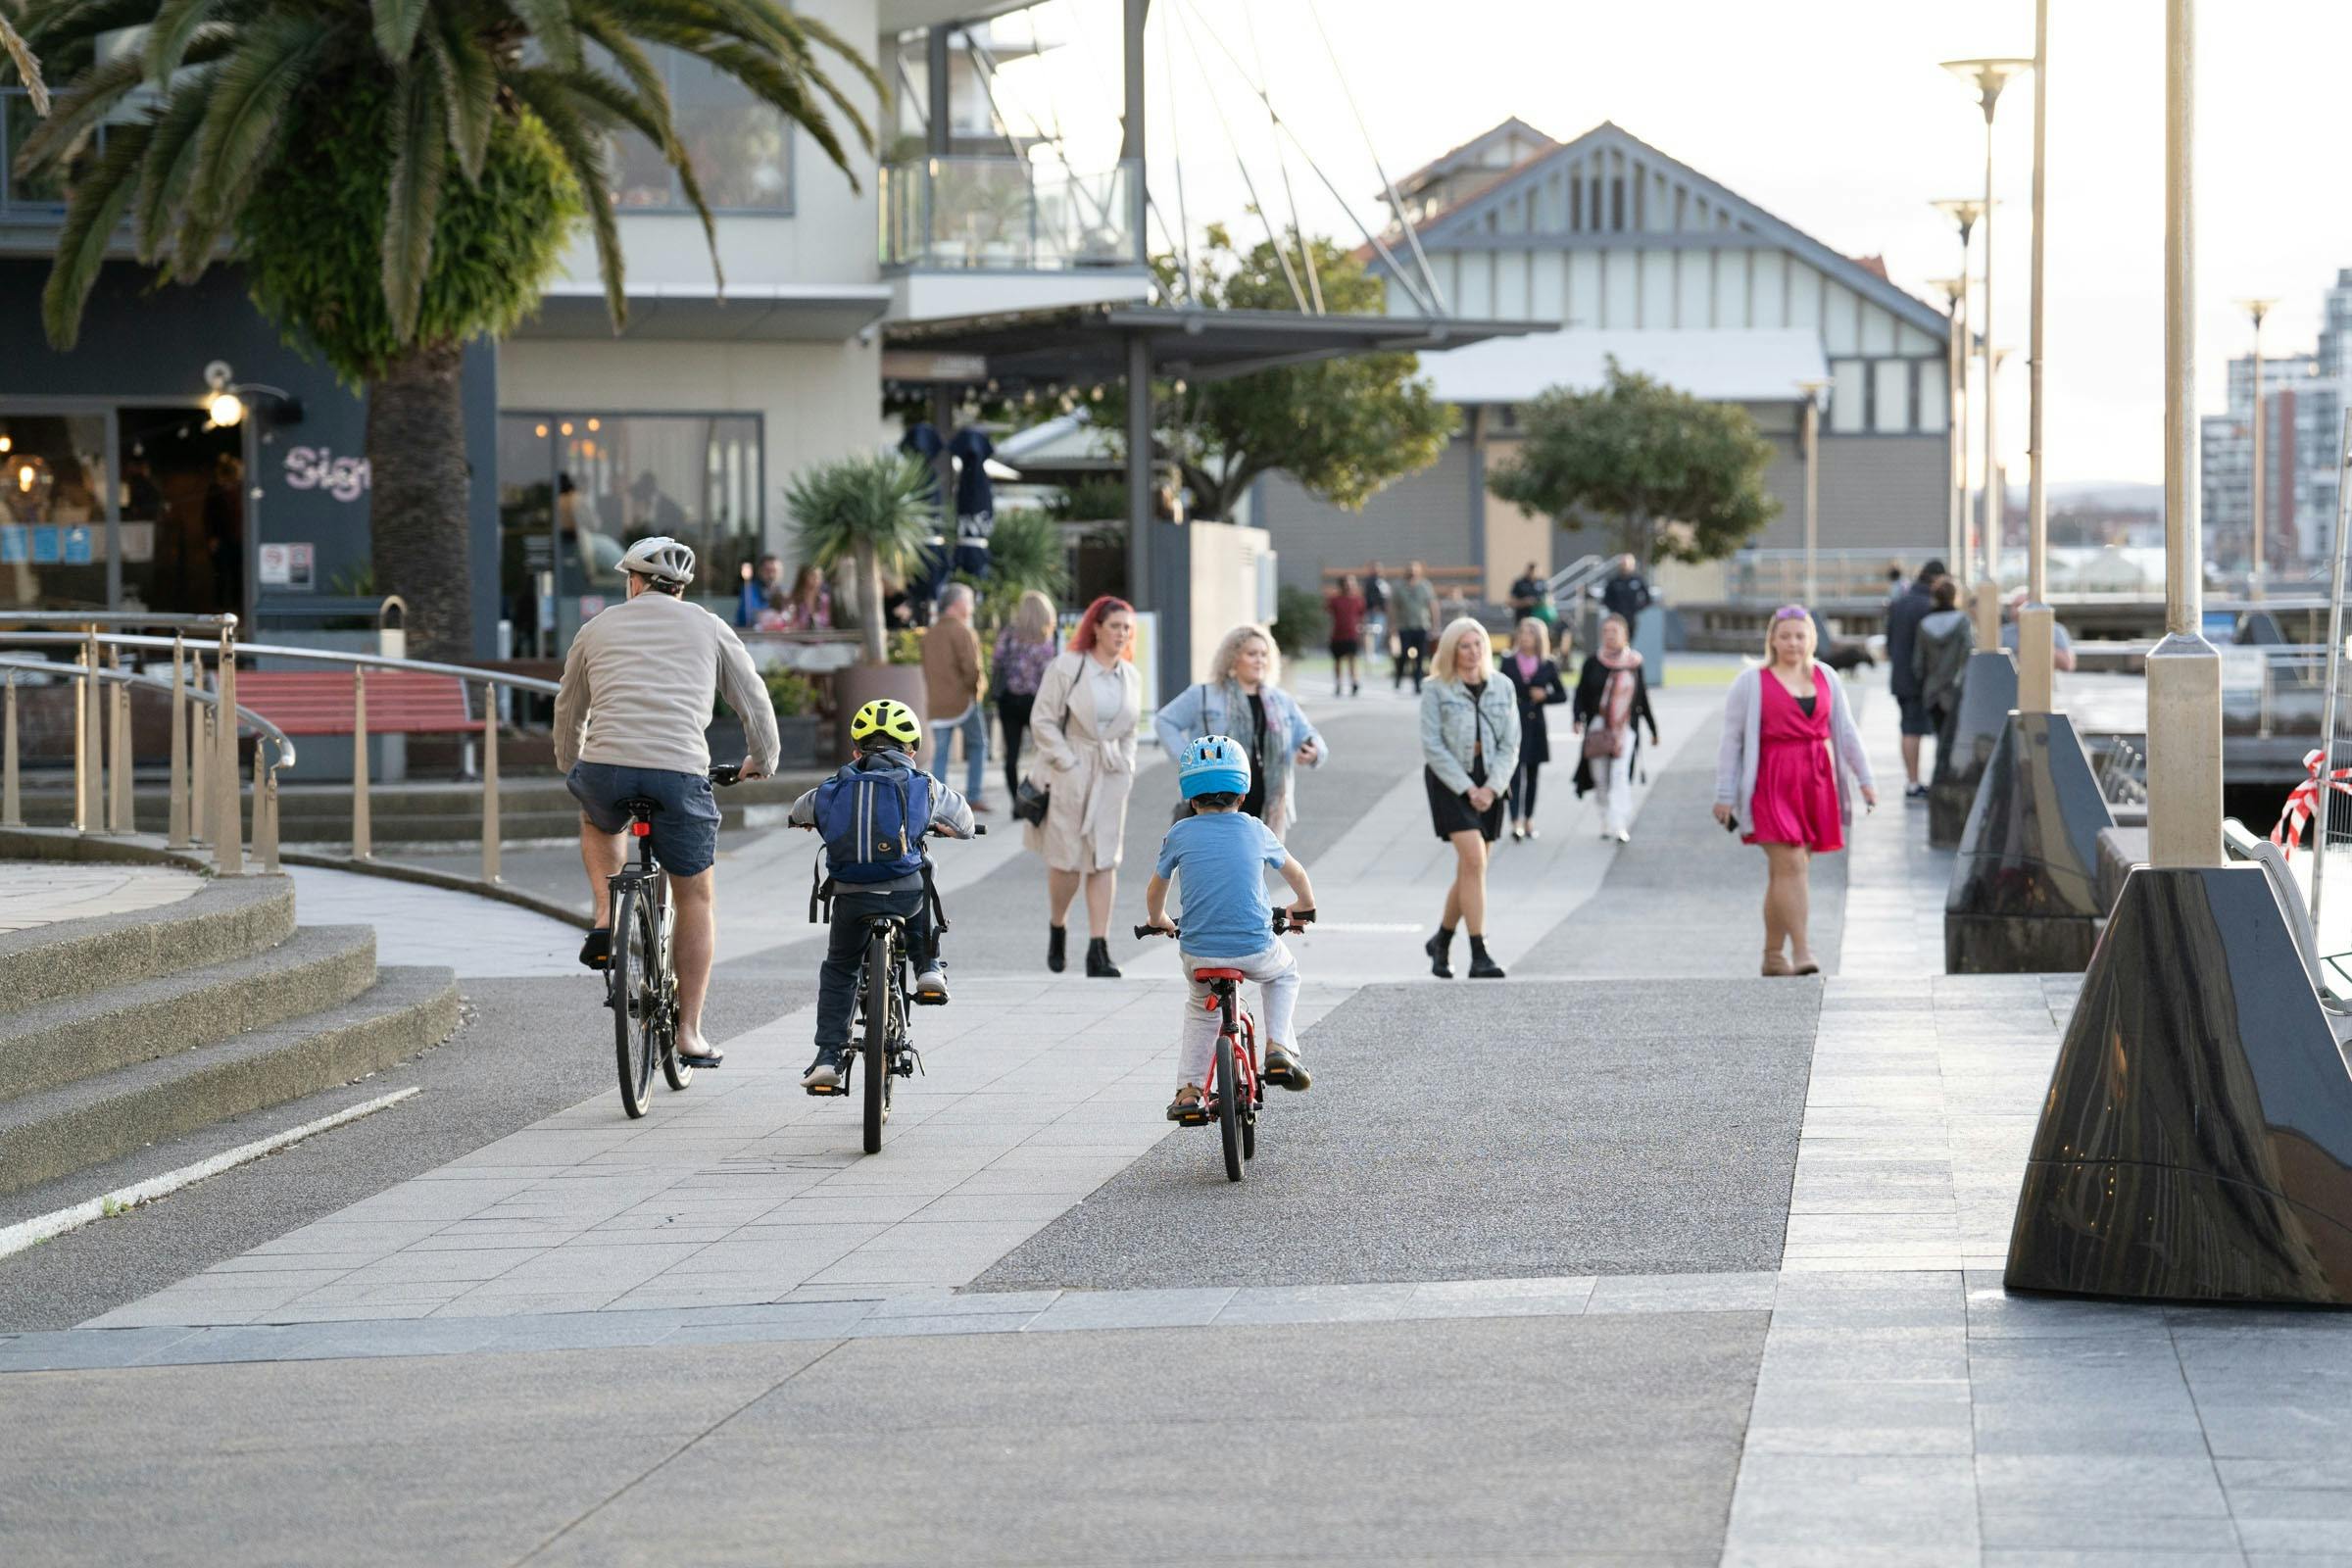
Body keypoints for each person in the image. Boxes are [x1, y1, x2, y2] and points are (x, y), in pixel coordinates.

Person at [555, 536, 778, 1069]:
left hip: (606, 769)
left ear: (633, 581)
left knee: (596, 818)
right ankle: (690, 1034)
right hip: (679, 772)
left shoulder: (597, 627)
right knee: (696, 896)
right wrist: (760, 761)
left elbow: (569, 708)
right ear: (679, 588)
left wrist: (572, 765)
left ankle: (607, 914)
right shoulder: (708, 625)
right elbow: (753, 699)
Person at [789, 700, 976, 1090]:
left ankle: (828, 1057)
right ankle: (927, 967)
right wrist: (951, 830)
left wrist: (802, 822)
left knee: (841, 967)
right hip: (904, 895)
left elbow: (800, 810)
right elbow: (964, 822)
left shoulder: (834, 785)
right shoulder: (925, 783)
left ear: (856, 751)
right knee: (921, 875)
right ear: (911, 750)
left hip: (852, 898)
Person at [1144, 736, 1321, 1119]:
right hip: (1255, 946)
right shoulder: (1256, 829)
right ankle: (1278, 1048)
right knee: (1284, 974)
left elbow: (1157, 887)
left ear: (1191, 798)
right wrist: (1303, 907)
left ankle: (1190, 1090)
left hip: (1199, 951)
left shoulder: (1179, 834)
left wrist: (1158, 918)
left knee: (1200, 1008)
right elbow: (1297, 873)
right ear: (1243, 793)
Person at [1714, 608, 1875, 977]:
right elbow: (1731, 741)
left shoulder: (1827, 677)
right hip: (1770, 782)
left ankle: (1773, 956)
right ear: (1772, 639)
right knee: (1791, 865)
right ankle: (1803, 950)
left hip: (1815, 782)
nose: (1793, 643)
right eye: (1785, 636)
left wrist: (1865, 780)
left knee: (1786, 873)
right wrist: (1724, 794)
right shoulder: (1751, 682)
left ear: (1811, 640)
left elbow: (1846, 731)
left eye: (1800, 636)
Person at [1026, 595, 1143, 978]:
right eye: (1114, 627)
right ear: (1095, 628)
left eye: (1127, 628)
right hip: (1070, 768)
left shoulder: (1130, 675)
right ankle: (1058, 925)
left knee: (1105, 859)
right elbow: (1042, 719)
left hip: (1110, 773)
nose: (1122, 635)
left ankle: (1099, 948)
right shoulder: (1069, 666)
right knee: (1067, 860)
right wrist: (1068, 762)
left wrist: (1126, 767)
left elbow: (1131, 728)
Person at [1153, 624, 1327, 840]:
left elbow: (1311, 737)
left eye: (1264, 654)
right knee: (1214, 869)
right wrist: (1190, 763)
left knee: (1253, 873)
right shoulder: (1204, 695)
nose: (1260, 660)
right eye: (1252, 654)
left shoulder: (1280, 701)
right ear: (1233, 658)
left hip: (1266, 808)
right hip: (1214, 804)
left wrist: (1313, 751)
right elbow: (1164, 721)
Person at [1420, 616, 1520, 980]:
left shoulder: (1503, 686)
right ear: (1451, 650)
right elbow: (1432, 745)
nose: (1473, 652)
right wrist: (1467, 788)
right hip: (1451, 781)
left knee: (1471, 869)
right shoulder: (1436, 689)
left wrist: (1492, 787)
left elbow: (1512, 743)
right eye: (1464, 645)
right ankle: (1479, 953)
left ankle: (1442, 940)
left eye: (1478, 644)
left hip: (1492, 779)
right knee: (1475, 860)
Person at [1573, 612, 1659, 845]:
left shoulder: (1634, 664)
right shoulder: (1593, 662)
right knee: (1600, 777)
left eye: (1615, 632)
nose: (1610, 636)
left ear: (1625, 635)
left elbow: (1642, 699)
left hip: (1625, 729)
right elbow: (1580, 693)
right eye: (1606, 632)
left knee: (1620, 775)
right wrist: (1577, 718)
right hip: (1598, 727)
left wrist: (1653, 729)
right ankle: (1605, 818)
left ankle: (1619, 822)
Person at [1496, 616, 1567, 842]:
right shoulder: (1508, 662)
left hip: (1536, 724)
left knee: (1533, 776)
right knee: (1514, 775)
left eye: (1530, 633)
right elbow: (1497, 692)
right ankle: (1514, 820)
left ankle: (1529, 818)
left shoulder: (1547, 664)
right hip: (1514, 723)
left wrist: (1545, 696)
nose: (1525, 638)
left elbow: (1562, 694)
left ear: (1538, 638)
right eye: (1522, 633)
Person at [922, 582, 989, 809]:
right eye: (969, 602)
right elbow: (972, 668)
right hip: (963, 701)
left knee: (940, 753)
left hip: (937, 703)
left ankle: (937, 802)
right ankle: (974, 794)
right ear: (958, 604)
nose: (971, 608)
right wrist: (977, 690)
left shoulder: (929, 634)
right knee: (978, 744)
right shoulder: (962, 631)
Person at [992, 589, 1058, 805]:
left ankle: (1015, 803)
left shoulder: (1009, 634)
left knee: (1011, 754)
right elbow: (1049, 674)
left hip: (1008, 700)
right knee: (1044, 750)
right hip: (1035, 702)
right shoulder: (1045, 640)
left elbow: (997, 661)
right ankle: (1037, 796)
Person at [1883, 560, 1942, 800]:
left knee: (1908, 728)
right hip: (1923, 679)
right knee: (1926, 730)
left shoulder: (1899, 603)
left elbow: (1888, 643)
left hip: (1900, 677)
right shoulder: (1930, 605)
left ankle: (1912, 781)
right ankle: (1925, 781)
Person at [1913, 576, 1975, 768]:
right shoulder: (1963, 622)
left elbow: (1917, 663)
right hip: (1956, 690)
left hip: (1932, 692)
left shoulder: (1924, 625)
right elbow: (1969, 652)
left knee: (1940, 736)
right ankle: (1951, 776)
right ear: (1955, 597)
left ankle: (1939, 775)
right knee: (1956, 737)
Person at [2000, 588, 2078, 672]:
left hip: (2045, 682)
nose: (2018, 610)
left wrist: (2039, 639)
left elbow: (2067, 664)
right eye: (2015, 605)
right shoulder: (2004, 633)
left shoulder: (2055, 630)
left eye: (2023, 605)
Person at [1392, 561, 1438, 692]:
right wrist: (1393, 625)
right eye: (1410, 570)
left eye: (1415, 570)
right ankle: (1399, 676)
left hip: (1421, 625)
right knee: (1404, 654)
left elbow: (1432, 606)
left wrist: (1434, 625)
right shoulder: (1399, 586)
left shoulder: (1425, 586)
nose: (1412, 572)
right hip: (1404, 626)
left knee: (1420, 656)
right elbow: (1394, 607)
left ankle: (1417, 683)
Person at [1325, 573, 1367, 697]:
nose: (1349, 586)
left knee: (1352, 660)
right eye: (1347, 583)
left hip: (1352, 635)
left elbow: (1362, 616)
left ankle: (1354, 682)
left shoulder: (1358, 600)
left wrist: (1362, 632)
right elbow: (1328, 615)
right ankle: (1338, 683)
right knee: (1337, 660)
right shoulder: (1334, 600)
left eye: (1352, 583)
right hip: (1338, 634)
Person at [1601, 555, 1652, 642]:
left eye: (1627, 564)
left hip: (1631, 616)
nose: (1625, 566)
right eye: (1623, 563)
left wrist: (1638, 608)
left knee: (1629, 639)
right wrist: (1614, 610)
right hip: (1617, 617)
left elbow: (1648, 597)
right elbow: (1606, 599)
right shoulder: (1614, 581)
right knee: (1616, 639)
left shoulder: (1638, 580)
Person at [1361, 560, 1393, 668]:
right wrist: (1374, 606)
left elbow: (1386, 595)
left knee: (1380, 633)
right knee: (1372, 633)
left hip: (1382, 611)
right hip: (1374, 611)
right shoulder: (1370, 581)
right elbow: (1369, 595)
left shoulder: (1382, 581)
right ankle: (1371, 653)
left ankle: (1375, 652)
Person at [1508, 562, 1555, 627]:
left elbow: (1551, 600)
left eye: (1536, 571)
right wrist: (1525, 602)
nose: (1534, 573)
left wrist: (1542, 602)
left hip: (1540, 620)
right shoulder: (1520, 583)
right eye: (1532, 571)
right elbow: (1510, 602)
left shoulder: (1544, 583)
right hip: (1523, 618)